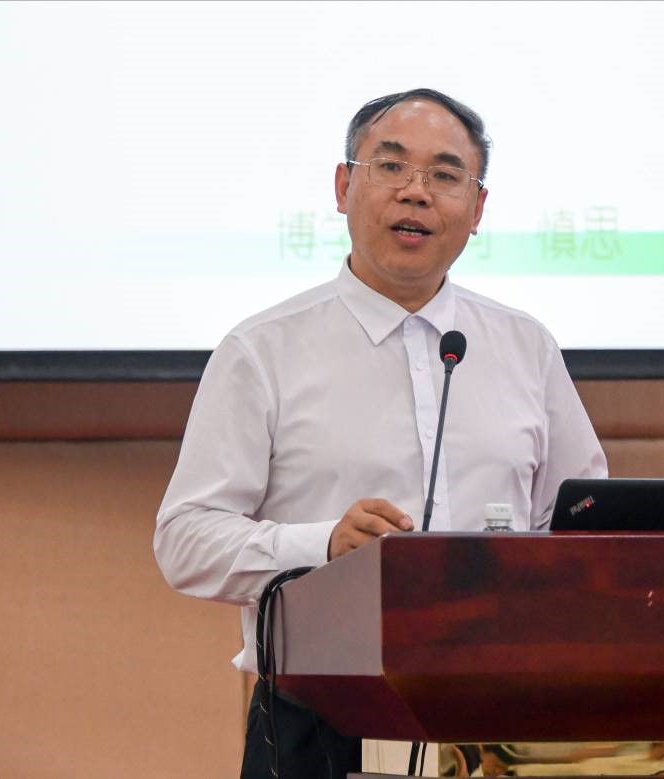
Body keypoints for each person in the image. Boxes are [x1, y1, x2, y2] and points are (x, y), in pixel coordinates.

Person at [154, 88, 607, 779]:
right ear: (343, 187)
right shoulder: (262, 350)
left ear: (477, 210)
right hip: (322, 723)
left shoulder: (524, 347)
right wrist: (322, 544)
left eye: (445, 175)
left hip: (506, 713)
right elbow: (185, 540)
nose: (416, 192)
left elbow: (586, 522)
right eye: (391, 167)